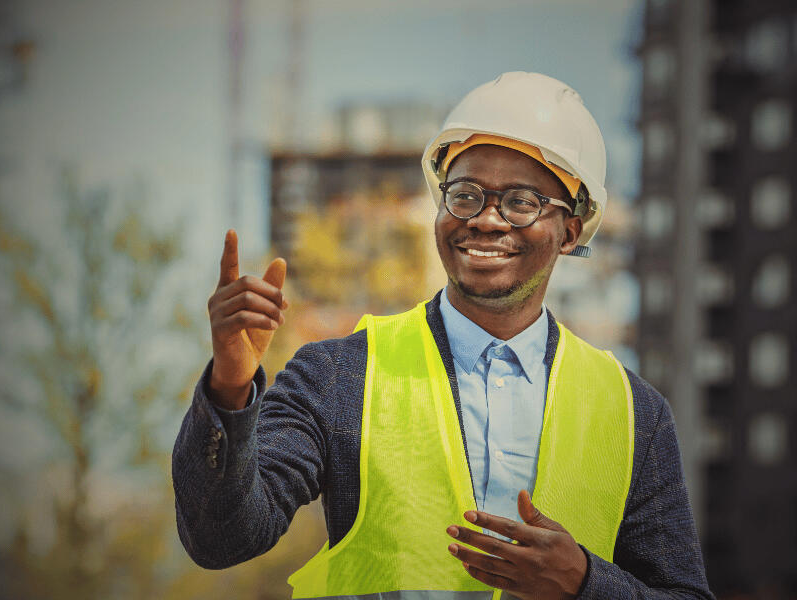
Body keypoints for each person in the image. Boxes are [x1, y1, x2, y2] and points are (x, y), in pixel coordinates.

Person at [172, 72, 715, 600]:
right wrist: (230, 387)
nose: (485, 219)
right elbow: (222, 539)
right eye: (465, 194)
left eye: (522, 201)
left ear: (569, 231)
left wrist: (583, 585)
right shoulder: (339, 378)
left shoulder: (632, 413)